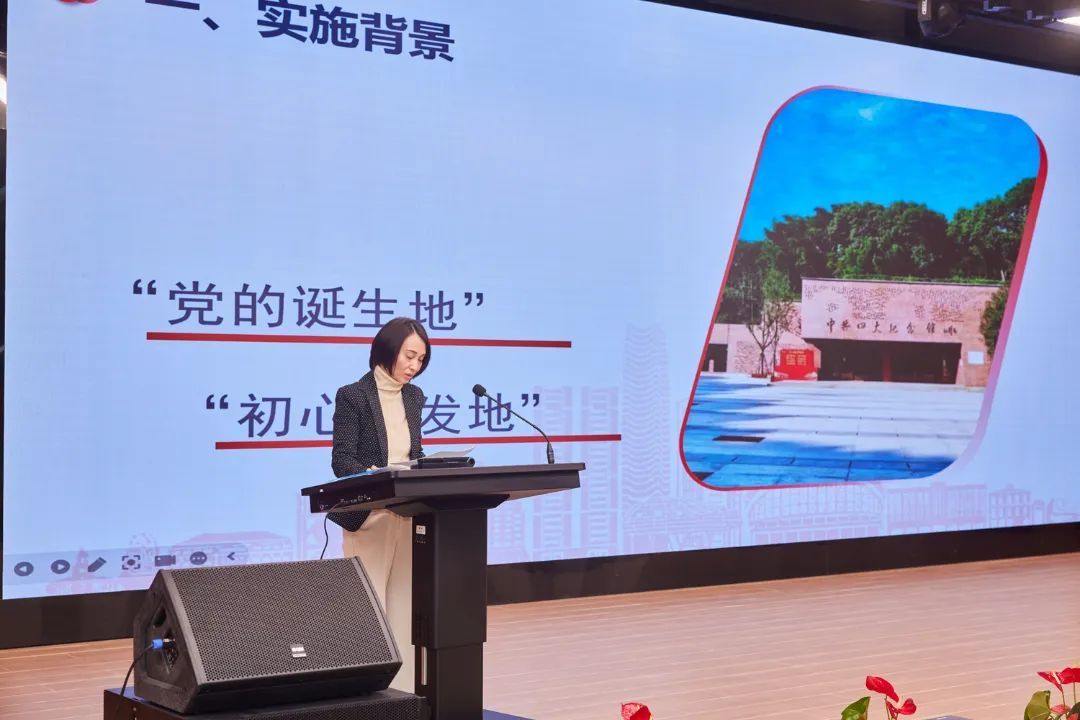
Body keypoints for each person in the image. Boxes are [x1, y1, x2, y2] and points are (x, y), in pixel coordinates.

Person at [330, 316, 429, 693]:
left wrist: (429, 467)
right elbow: (342, 460)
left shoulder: (414, 397)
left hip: (408, 513)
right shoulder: (353, 395)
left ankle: (403, 694)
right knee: (368, 612)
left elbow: (413, 452)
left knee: (405, 606)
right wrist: (378, 477)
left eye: (421, 359)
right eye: (409, 356)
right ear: (387, 350)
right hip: (370, 516)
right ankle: (364, 694)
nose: (414, 366)